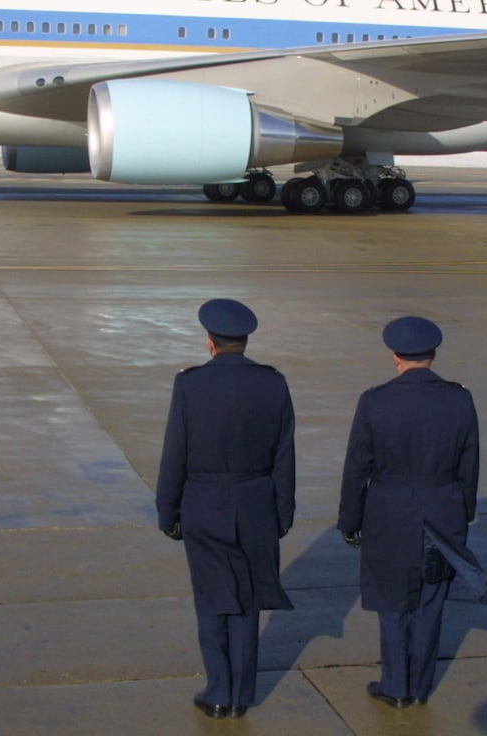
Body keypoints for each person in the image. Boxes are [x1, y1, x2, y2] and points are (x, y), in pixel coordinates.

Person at [155, 298, 296, 719]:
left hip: (205, 503)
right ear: (245, 341)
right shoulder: (273, 383)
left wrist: (168, 512)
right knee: (248, 600)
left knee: (213, 598)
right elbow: (284, 457)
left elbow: (174, 455)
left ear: (210, 342)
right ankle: (241, 693)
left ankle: (219, 689)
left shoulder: (190, 384)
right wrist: (282, 515)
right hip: (256, 503)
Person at [337, 316, 483, 709]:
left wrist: (349, 520)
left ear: (395, 356)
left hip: (388, 513)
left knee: (392, 602)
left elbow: (357, 467)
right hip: (443, 510)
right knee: (430, 604)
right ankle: (419, 687)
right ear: (433, 355)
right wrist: (464, 512)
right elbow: (470, 464)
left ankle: (395, 685)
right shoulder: (460, 398)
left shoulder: (375, 400)